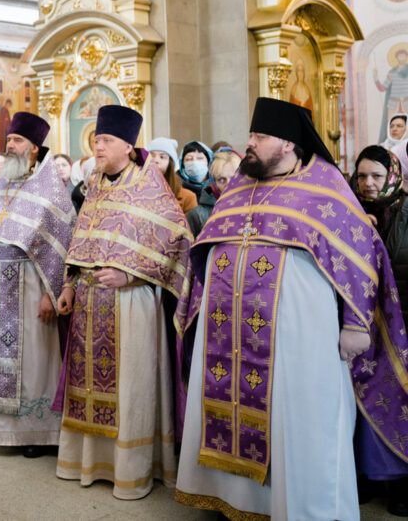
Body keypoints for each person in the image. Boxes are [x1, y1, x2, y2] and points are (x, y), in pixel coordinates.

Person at [174, 98, 408, 520]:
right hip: (228, 333)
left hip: (299, 336)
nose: (250, 142)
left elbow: (362, 256)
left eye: (259, 136)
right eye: (251, 134)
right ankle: (235, 501)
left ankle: (301, 508)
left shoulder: (325, 188)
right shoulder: (238, 189)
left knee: (296, 421)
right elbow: (206, 246)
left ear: (287, 143)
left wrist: (356, 324)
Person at [54, 105, 192, 500]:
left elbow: (177, 244)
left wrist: (130, 275)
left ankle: (131, 471)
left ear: (128, 146)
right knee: (86, 384)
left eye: (106, 140)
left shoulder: (150, 188)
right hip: (89, 302)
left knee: (131, 388)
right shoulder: (96, 185)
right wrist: (69, 285)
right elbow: (81, 239)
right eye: (96, 139)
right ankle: (89, 463)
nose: (97, 146)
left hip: (131, 303)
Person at [0, 112, 76, 456]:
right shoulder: (4, 185)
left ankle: (36, 432)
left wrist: (50, 294)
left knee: (34, 360)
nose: (10, 146)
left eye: (17, 141)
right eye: (9, 140)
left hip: (31, 287)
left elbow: (61, 248)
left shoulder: (52, 191)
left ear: (34, 148)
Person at [349, 145, 408, 516]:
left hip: (402, 327)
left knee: (400, 402)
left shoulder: (405, 211)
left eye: (377, 175)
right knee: (361, 401)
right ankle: (366, 478)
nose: (368, 183)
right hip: (360, 326)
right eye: (362, 176)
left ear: (393, 176)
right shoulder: (346, 211)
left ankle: (401, 483)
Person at [186, 148, 242, 238]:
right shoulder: (197, 215)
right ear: (213, 184)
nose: (228, 185)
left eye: (234, 178)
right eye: (221, 180)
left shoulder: (257, 208)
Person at [147, 137, 197, 213]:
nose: (155, 160)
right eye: (151, 156)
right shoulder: (135, 190)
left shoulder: (188, 197)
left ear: (170, 164)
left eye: (162, 157)